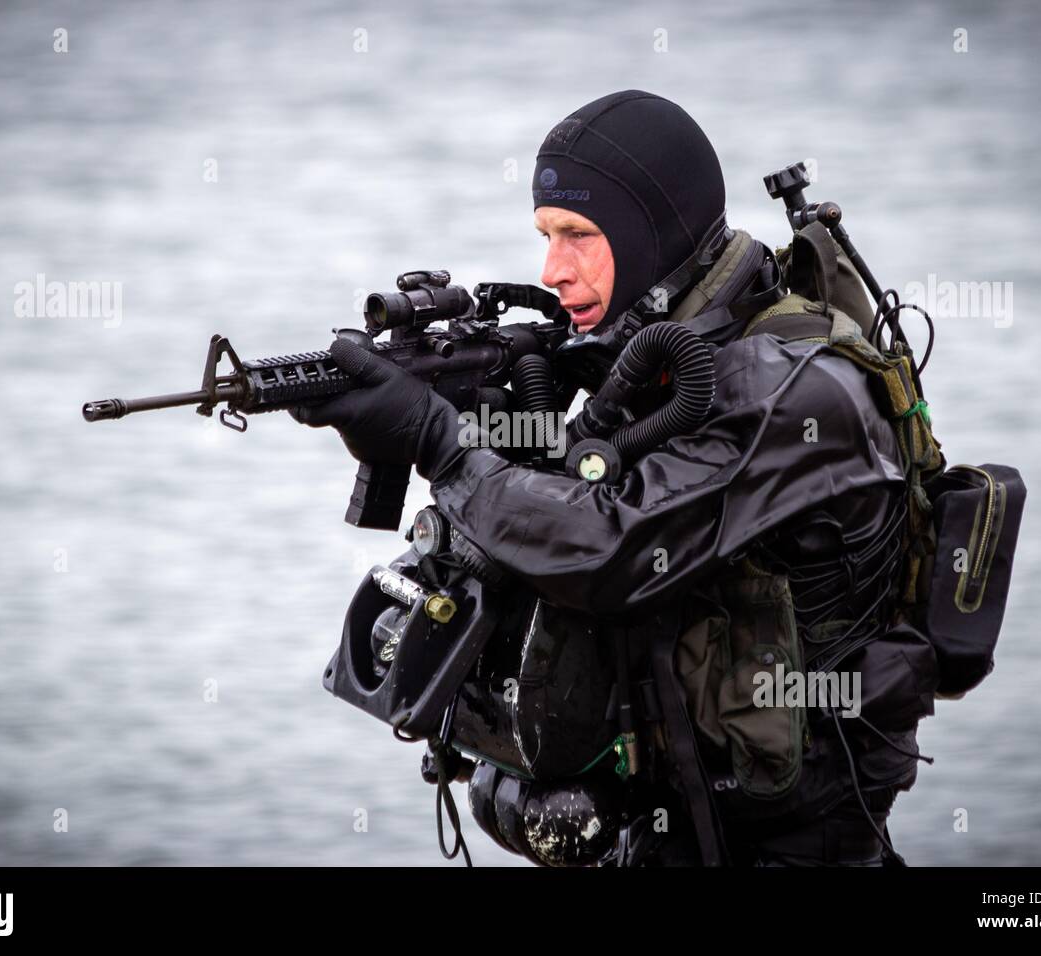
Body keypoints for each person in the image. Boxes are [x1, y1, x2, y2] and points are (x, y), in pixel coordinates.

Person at [293, 90, 940, 866]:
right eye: (544, 236)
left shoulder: (790, 390)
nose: (551, 269)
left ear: (651, 235)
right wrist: (468, 411)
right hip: (666, 826)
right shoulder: (671, 338)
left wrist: (443, 444)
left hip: (792, 845)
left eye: (578, 236)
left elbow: (610, 546)